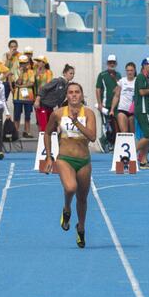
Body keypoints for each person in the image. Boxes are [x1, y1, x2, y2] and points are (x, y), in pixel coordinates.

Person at [44, 83, 96, 249]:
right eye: (71, 92)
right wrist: (49, 157)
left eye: (77, 92)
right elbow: (47, 132)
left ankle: (80, 228)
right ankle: (66, 209)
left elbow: (93, 137)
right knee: (71, 187)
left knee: (82, 198)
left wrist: (77, 123)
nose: (74, 95)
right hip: (65, 158)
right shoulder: (58, 113)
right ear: (67, 95)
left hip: (84, 161)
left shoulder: (88, 113)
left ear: (81, 95)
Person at [134, 57, 149, 169]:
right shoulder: (141, 77)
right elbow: (141, 92)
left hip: (147, 109)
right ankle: (131, 153)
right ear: (144, 65)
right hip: (143, 110)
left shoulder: (147, 79)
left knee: (147, 136)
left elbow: (147, 95)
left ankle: (143, 161)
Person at [35, 63, 74, 132]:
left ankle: (52, 142)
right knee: (43, 127)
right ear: (64, 73)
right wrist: (37, 101)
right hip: (42, 105)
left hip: (51, 107)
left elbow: (60, 99)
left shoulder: (67, 85)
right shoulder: (57, 81)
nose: (72, 75)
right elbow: (44, 89)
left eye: (73, 74)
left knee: (53, 128)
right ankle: (42, 141)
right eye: (70, 73)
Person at [12, 54, 35, 138]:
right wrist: (21, 73)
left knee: (28, 116)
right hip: (17, 97)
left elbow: (31, 83)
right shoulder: (16, 71)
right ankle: (16, 131)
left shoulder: (31, 71)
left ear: (28, 63)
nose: (23, 65)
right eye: (21, 63)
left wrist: (21, 86)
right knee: (17, 115)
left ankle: (27, 131)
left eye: (24, 63)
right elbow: (18, 82)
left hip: (28, 97)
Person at [110, 62, 136, 134]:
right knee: (124, 132)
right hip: (122, 109)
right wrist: (112, 109)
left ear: (134, 71)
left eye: (131, 70)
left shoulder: (137, 81)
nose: (129, 72)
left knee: (132, 133)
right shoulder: (122, 81)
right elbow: (116, 96)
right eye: (128, 70)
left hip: (133, 111)